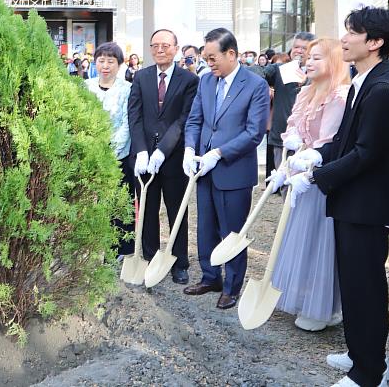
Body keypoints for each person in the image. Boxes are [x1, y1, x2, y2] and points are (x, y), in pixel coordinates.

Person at [288, 7, 389, 387]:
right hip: (356, 202)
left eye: (352, 33)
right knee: (355, 284)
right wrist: (317, 155)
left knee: (365, 288)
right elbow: (346, 143)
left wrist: (317, 175)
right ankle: (364, 353)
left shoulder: (382, 89)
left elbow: (365, 153)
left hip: (369, 206)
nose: (343, 39)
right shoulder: (366, 82)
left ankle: (369, 372)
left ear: (374, 43)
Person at [183, 27, 270, 309]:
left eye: (212, 57)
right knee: (205, 226)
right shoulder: (206, 82)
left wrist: (219, 153)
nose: (208, 63)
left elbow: (254, 132)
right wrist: (189, 149)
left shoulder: (254, 85)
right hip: (203, 168)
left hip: (233, 170)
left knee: (232, 232)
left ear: (231, 54)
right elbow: (195, 120)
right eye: (205, 58)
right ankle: (210, 277)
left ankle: (232, 286)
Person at [268, 38, 350, 332]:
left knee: (321, 240)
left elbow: (328, 143)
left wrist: (303, 155)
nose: (309, 62)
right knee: (300, 236)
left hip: (322, 177)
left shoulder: (339, 96)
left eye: (317, 57)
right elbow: (293, 131)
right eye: (308, 57)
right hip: (300, 176)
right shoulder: (305, 92)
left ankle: (325, 307)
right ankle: (305, 296)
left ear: (335, 61)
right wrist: (285, 166)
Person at [128, 29, 199, 284]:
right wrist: (142, 150)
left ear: (176, 47)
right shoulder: (141, 77)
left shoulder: (188, 80)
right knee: (146, 209)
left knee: (176, 209)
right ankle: (150, 256)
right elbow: (134, 116)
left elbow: (184, 120)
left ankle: (179, 261)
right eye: (155, 45)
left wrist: (162, 150)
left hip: (173, 156)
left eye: (165, 45)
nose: (160, 49)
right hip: (144, 156)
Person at [85, 42, 133, 255]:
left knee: (119, 202)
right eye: (101, 60)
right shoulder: (86, 86)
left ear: (119, 64)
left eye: (111, 61)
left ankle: (120, 249)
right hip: (90, 154)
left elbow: (127, 123)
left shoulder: (128, 89)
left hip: (118, 156)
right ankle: (92, 246)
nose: (105, 65)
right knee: (91, 202)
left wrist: (110, 151)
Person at [263, 32, 314, 191]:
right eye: (296, 47)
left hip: (309, 141)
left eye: (304, 48)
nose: (299, 51)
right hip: (281, 138)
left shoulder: (319, 72)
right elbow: (258, 73)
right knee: (285, 184)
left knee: (304, 187)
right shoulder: (281, 69)